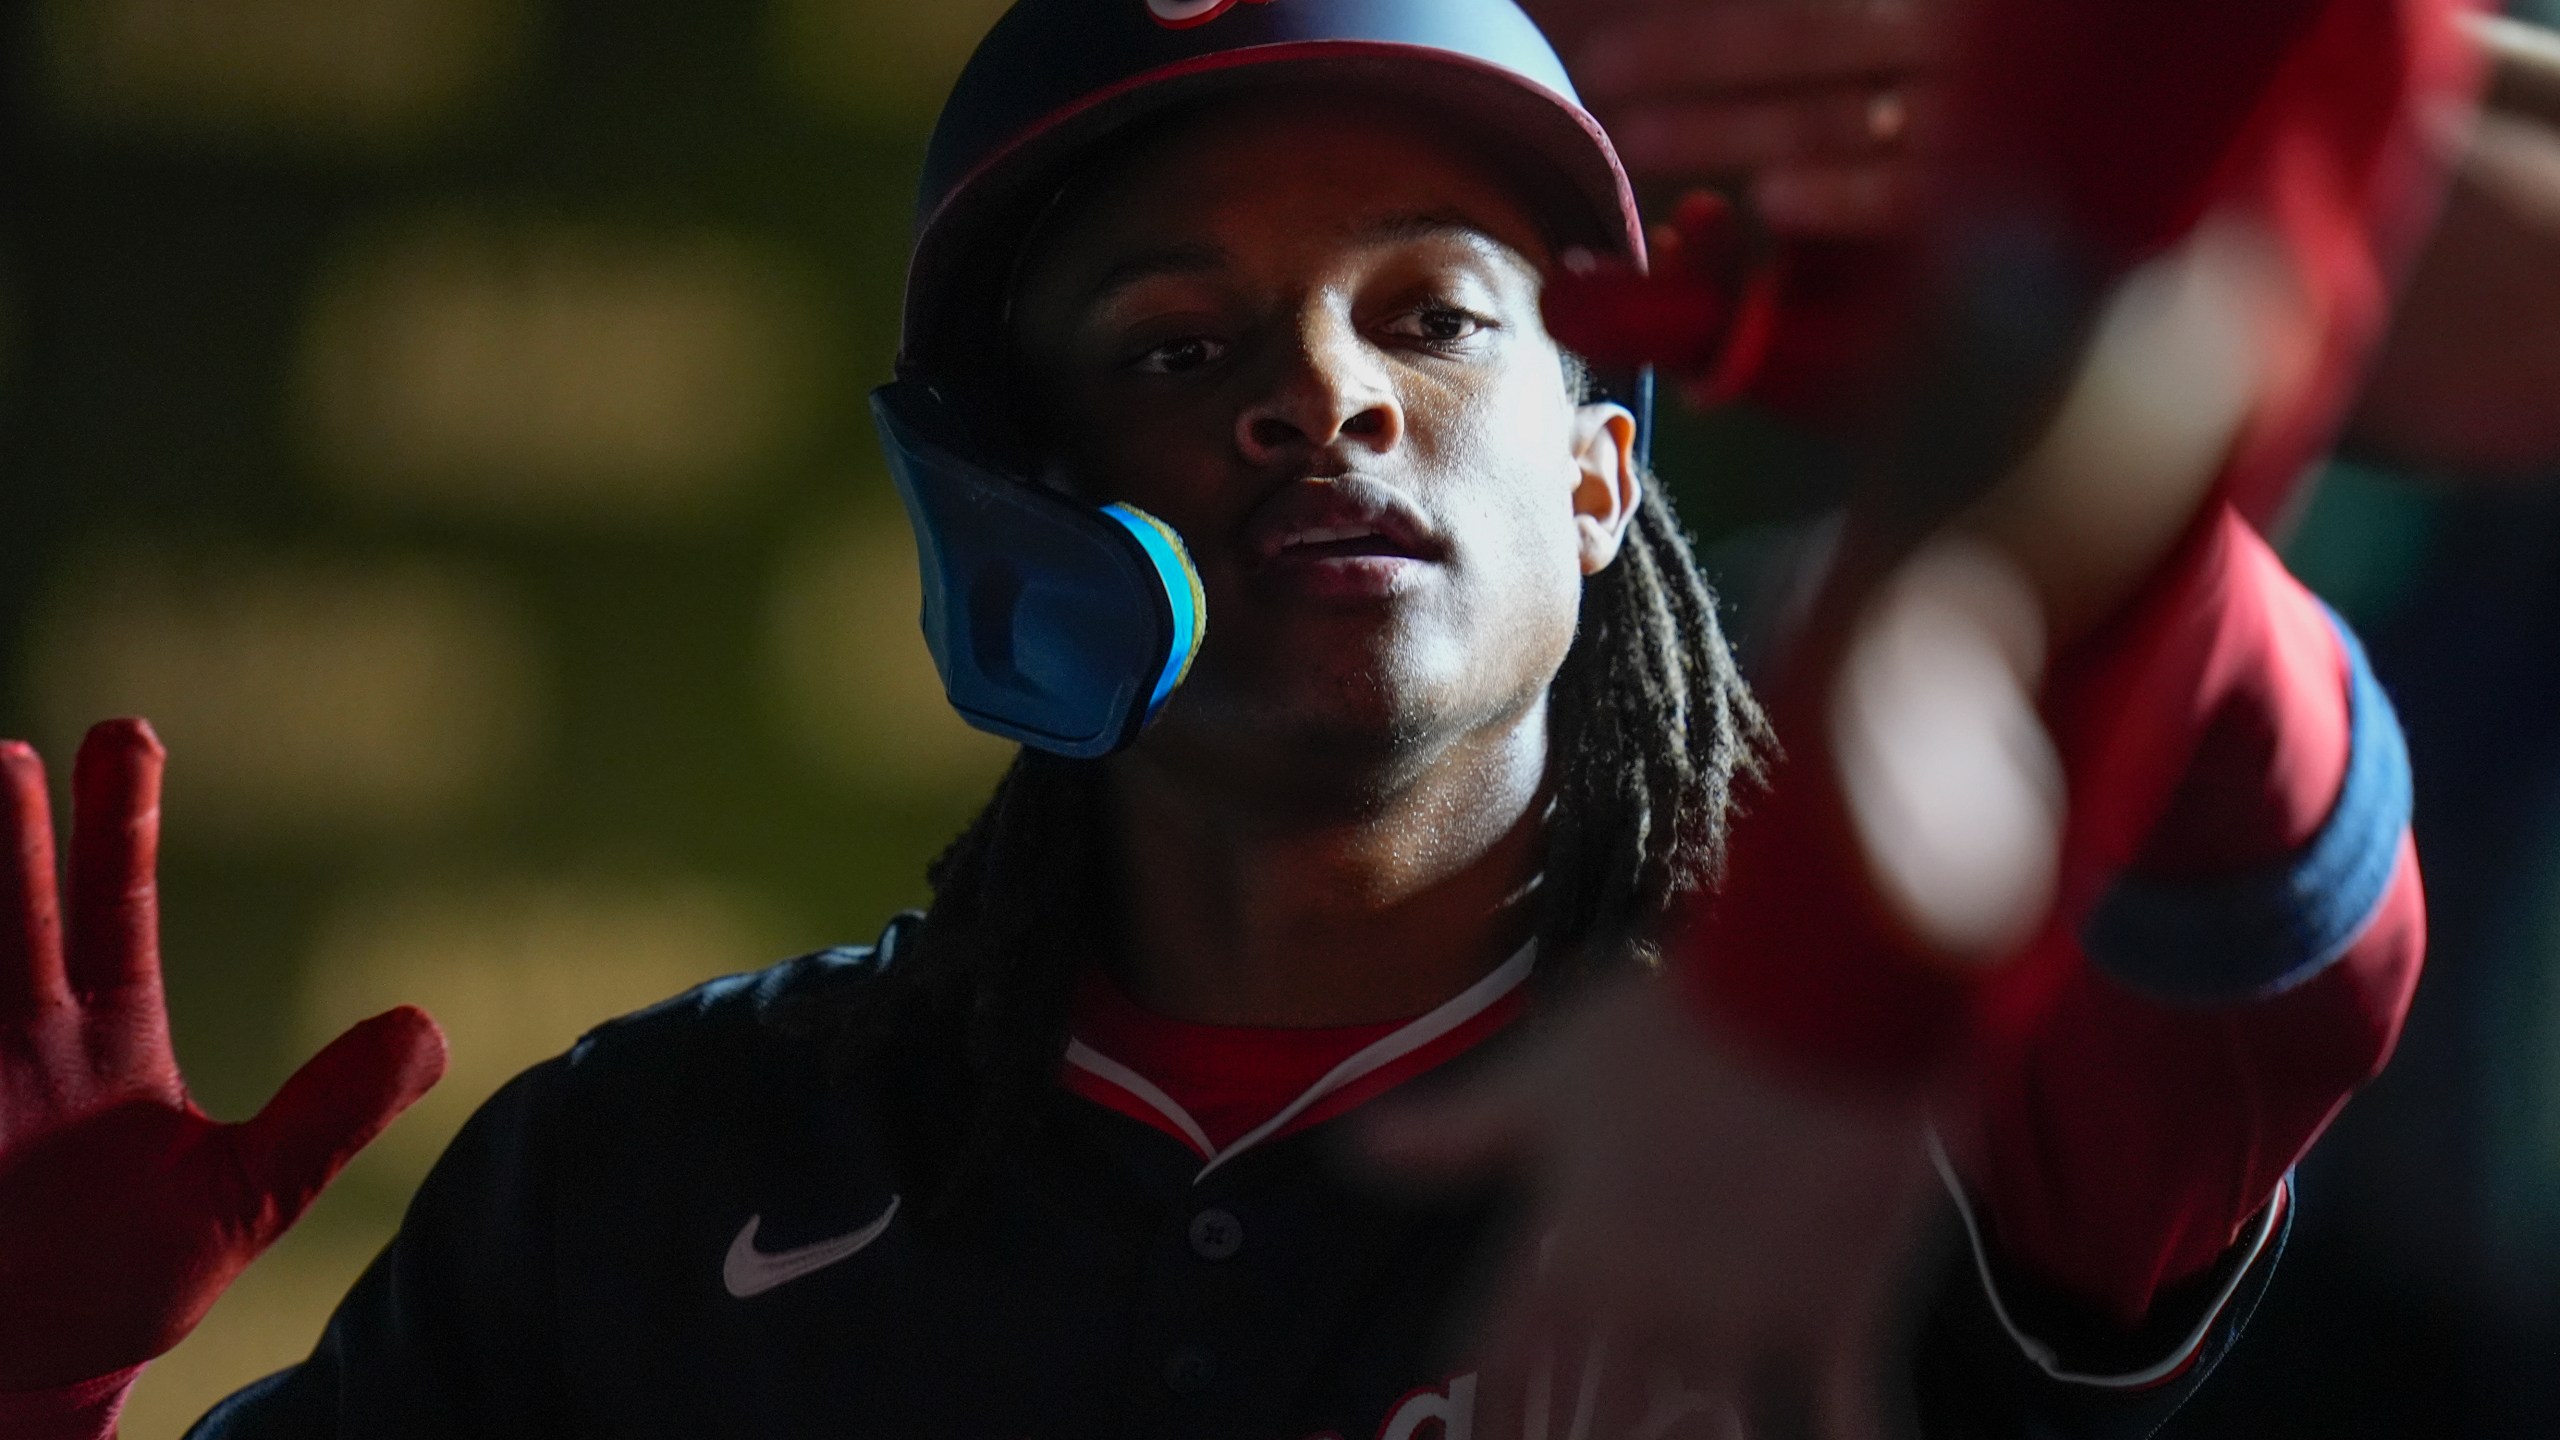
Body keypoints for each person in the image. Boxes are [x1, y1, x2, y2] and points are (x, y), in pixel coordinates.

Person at [0, 0, 2446, 1435]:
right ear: (1002, 508)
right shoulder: (638, 1176)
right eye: (1179, 344)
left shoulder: (1869, 1087)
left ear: (1607, 475)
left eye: (1430, 315)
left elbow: (2283, 896)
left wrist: (2042, 444)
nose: (1319, 397)